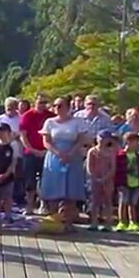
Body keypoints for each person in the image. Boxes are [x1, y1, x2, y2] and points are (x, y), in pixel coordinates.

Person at [38, 97, 90, 232]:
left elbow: (81, 139)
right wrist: (58, 153)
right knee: (54, 189)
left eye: (60, 105)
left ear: (68, 107)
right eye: (55, 105)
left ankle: (69, 222)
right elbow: (46, 141)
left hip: (72, 156)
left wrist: (71, 153)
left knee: (70, 190)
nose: (57, 108)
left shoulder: (77, 122)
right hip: (55, 156)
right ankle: (55, 221)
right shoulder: (49, 122)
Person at [18, 95, 55, 214]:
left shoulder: (51, 117)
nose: (42, 105)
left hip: (47, 152)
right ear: (35, 103)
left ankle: (43, 204)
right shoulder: (27, 116)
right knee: (30, 180)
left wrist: (47, 150)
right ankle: (29, 205)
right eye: (40, 102)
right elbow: (23, 136)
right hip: (30, 152)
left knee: (46, 179)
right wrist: (33, 150)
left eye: (44, 102)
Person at [85, 131, 117, 231]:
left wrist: (105, 178)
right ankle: (94, 222)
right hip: (94, 180)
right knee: (95, 201)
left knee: (108, 201)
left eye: (105, 138)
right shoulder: (92, 151)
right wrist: (95, 177)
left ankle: (108, 224)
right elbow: (89, 167)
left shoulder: (111, 152)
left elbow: (113, 168)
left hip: (108, 180)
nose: (103, 140)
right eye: (101, 138)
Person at [115, 132, 139, 232]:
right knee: (123, 202)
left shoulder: (138, 156)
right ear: (128, 142)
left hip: (136, 183)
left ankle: (133, 222)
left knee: (133, 203)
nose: (137, 144)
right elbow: (117, 171)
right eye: (135, 142)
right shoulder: (120, 155)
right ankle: (121, 221)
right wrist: (118, 183)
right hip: (124, 182)